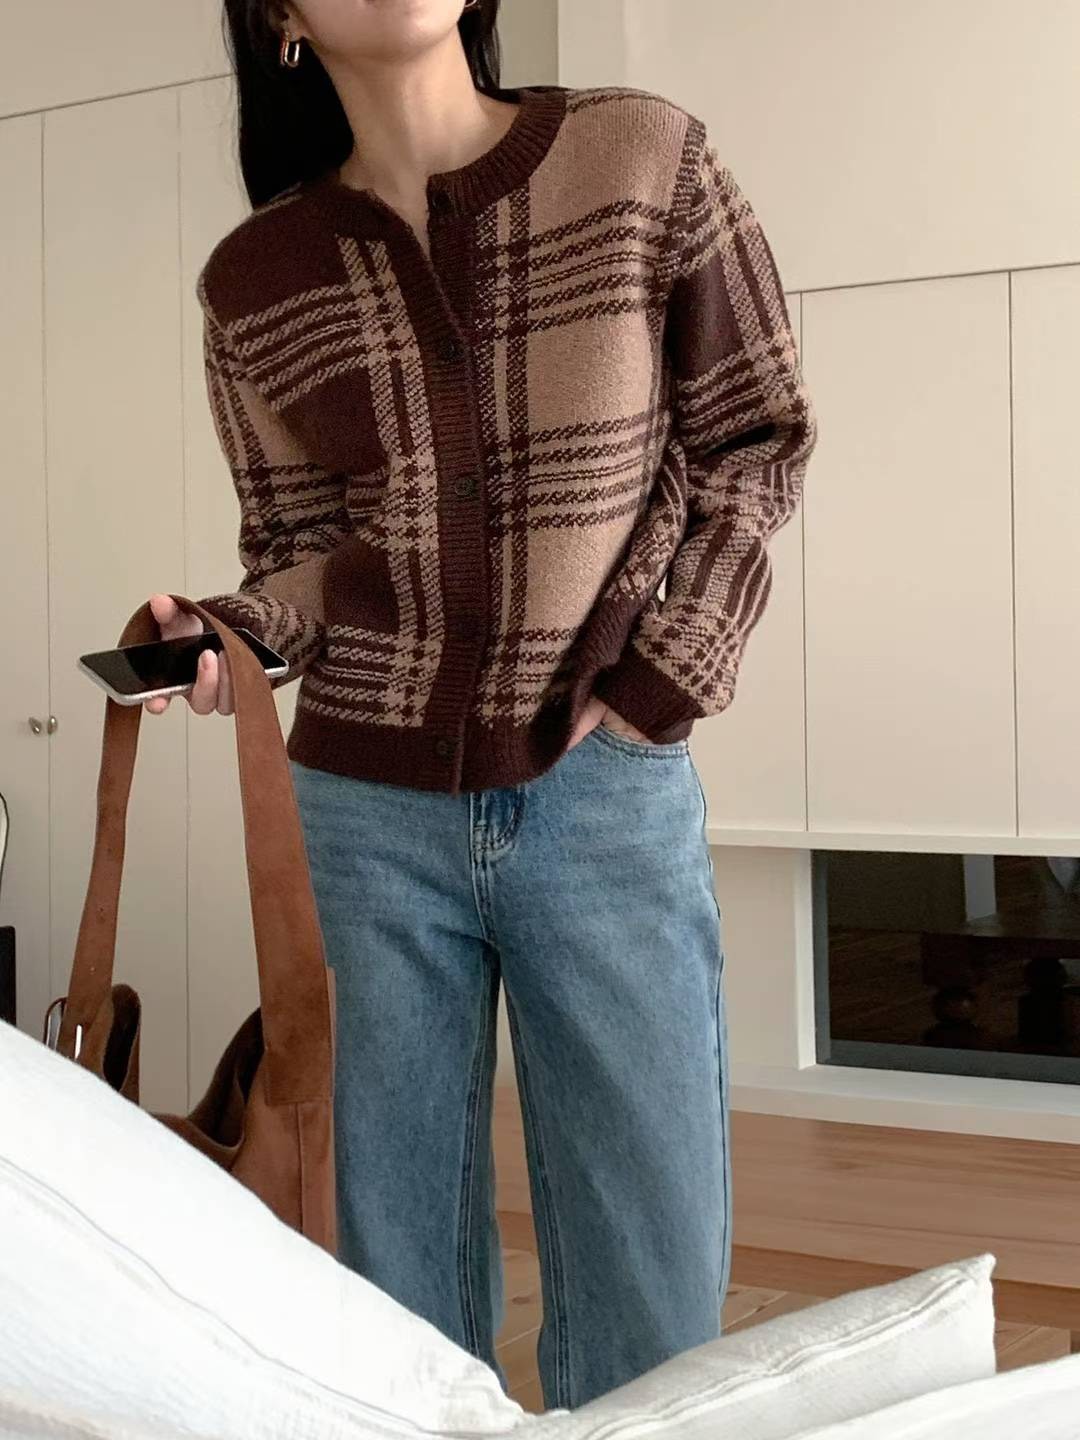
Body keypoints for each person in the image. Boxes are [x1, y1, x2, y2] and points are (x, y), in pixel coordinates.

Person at [146, 0, 815, 1410]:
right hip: (363, 817)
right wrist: (233, 632)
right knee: (390, 1277)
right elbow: (307, 551)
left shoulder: (643, 159)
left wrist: (665, 678)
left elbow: (755, 439)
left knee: (651, 1275)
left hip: (602, 789)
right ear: (278, 15)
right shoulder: (257, 279)